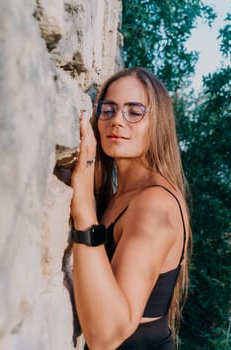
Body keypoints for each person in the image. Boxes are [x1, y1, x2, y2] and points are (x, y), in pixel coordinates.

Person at [70, 67, 192, 350]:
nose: (117, 121)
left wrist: (84, 212)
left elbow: (107, 337)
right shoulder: (120, 195)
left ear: (157, 122)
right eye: (108, 109)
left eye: (134, 111)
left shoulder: (154, 204)